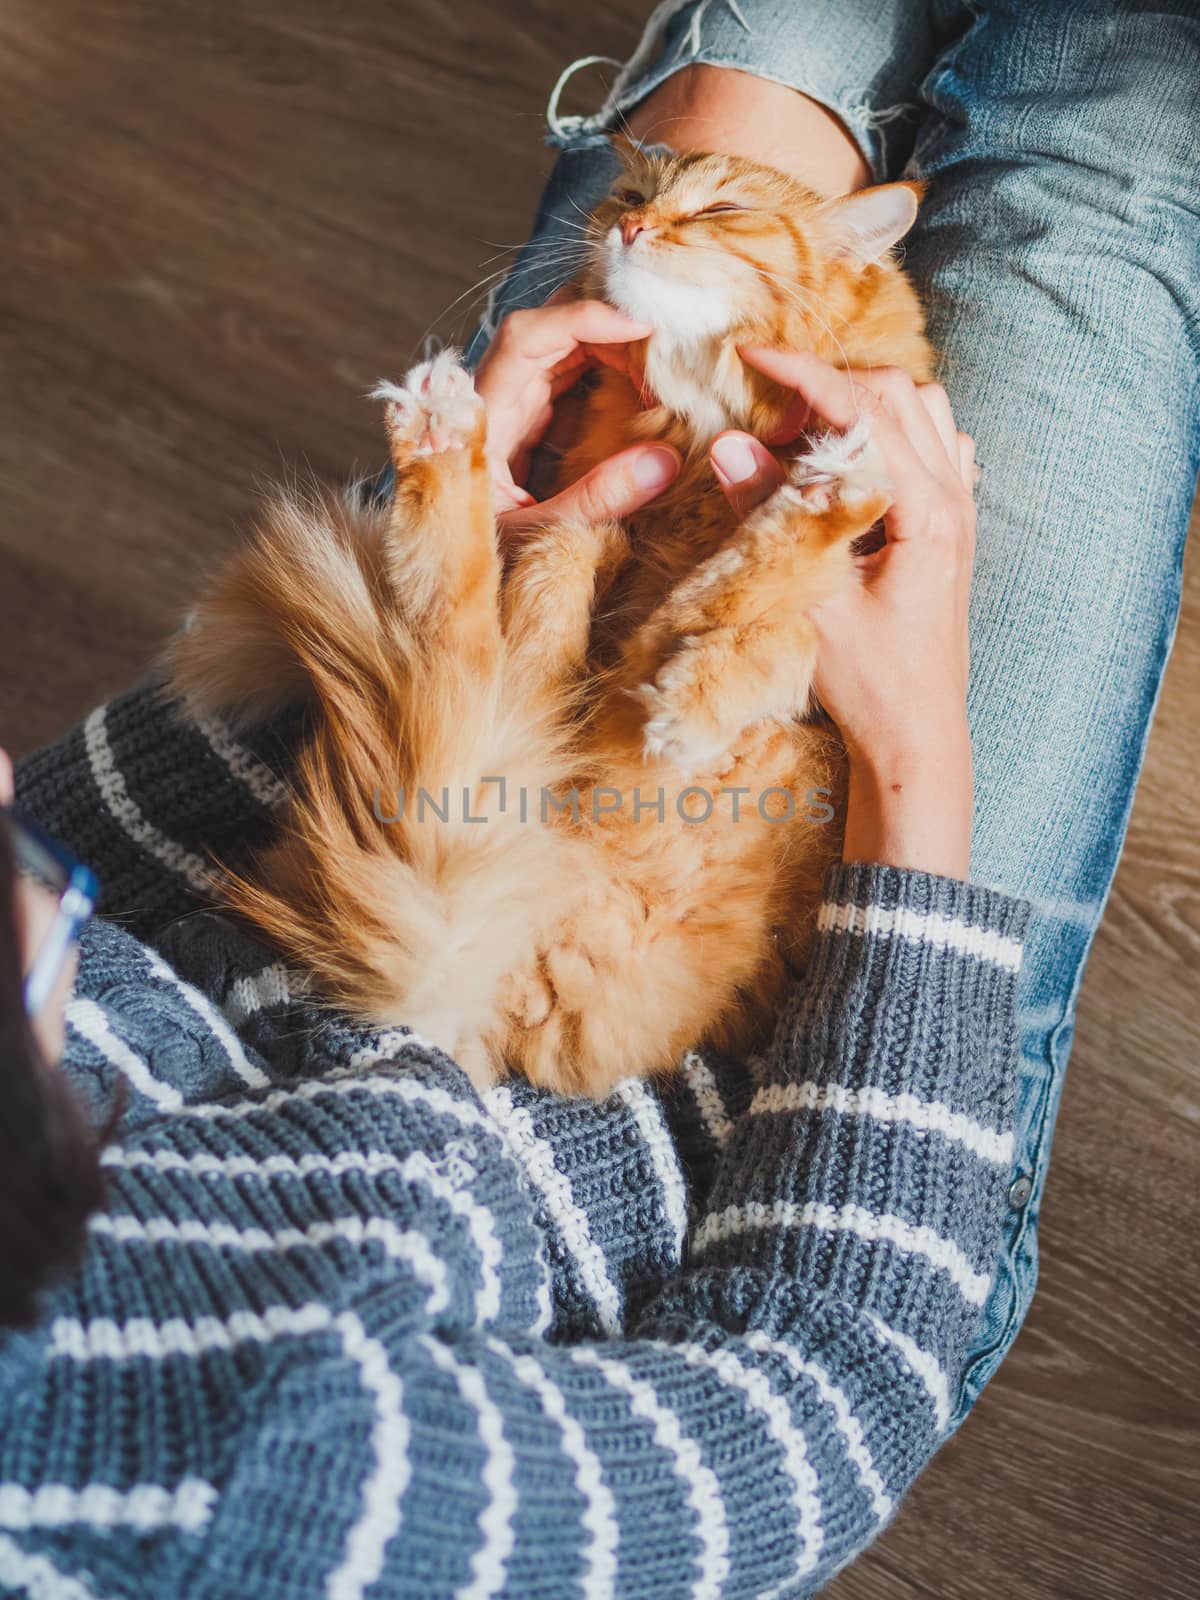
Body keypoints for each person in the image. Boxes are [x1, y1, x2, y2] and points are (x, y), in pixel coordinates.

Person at [0, 1, 1193, 1595]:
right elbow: (820, 1398)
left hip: (406, 768)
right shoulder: (229, 1485)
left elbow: (95, 879)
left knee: (758, 72)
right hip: (765, 1059)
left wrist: (430, 605)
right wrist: (917, 768)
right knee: (1097, 154)